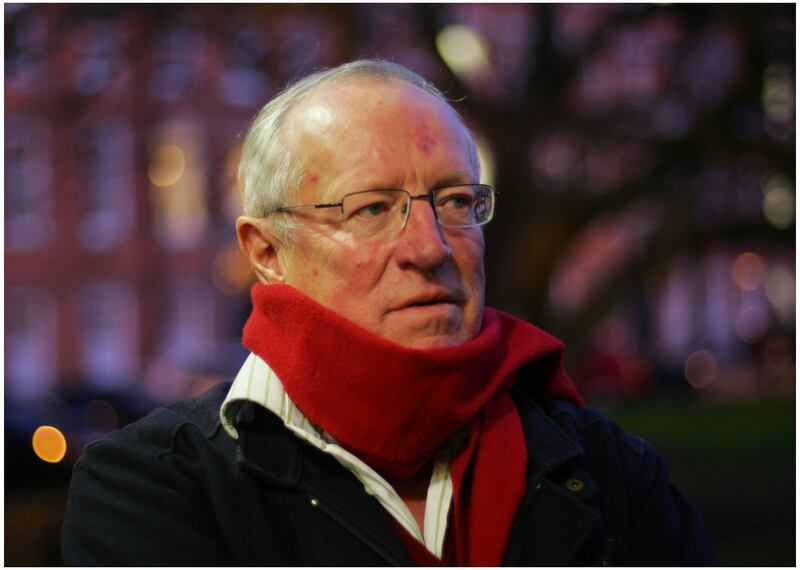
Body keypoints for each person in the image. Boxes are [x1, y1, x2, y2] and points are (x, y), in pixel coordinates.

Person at [62, 59, 717, 566]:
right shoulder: (149, 489)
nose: (431, 247)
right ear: (266, 252)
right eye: (372, 208)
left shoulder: (609, 470)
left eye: (455, 201)